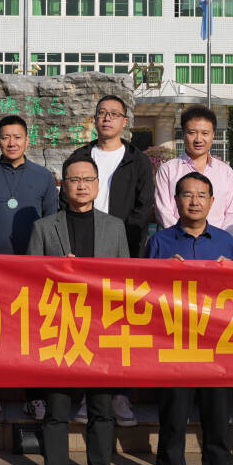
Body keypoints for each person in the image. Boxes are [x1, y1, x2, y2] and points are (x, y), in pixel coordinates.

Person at [27, 156, 128, 465]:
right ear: (63, 185)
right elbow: (28, 283)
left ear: (98, 185)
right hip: (60, 330)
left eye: (88, 179)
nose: (82, 185)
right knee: (56, 412)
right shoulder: (43, 228)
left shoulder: (115, 227)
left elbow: (126, 284)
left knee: (101, 410)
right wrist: (58, 274)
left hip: (101, 331)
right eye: (74, 179)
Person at [146, 171, 233, 465]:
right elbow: (140, 295)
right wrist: (163, 275)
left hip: (217, 349)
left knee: (217, 424)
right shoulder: (159, 243)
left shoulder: (226, 244)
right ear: (176, 201)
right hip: (174, 348)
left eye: (202, 195)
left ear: (213, 202)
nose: (194, 201)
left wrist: (230, 274)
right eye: (187, 195)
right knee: (172, 423)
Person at [0, 114, 58, 421]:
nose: (12, 142)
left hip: (32, 267)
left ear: (28, 140)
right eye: (5, 137)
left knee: (32, 334)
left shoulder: (43, 177)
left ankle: (35, 398)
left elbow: (52, 221)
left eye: (17, 137)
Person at [66, 94, 153, 426]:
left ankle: (119, 395)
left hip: (122, 253)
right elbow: (65, 201)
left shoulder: (137, 161)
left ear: (124, 122)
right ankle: (86, 396)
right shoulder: (79, 157)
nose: (107, 118)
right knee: (84, 326)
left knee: (119, 326)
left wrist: (119, 243)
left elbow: (144, 208)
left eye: (114, 114)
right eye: (102, 113)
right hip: (82, 252)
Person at [153, 106, 233, 242]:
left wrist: (221, 240)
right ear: (183, 134)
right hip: (178, 244)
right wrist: (185, 238)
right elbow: (163, 212)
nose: (198, 139)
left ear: (213, 135)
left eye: (205, 133)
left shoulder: (225, 172)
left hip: (218, 245)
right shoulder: (168, 170)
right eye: (192, 133)